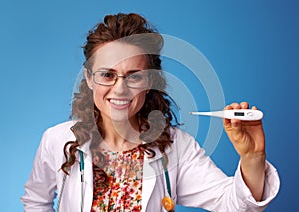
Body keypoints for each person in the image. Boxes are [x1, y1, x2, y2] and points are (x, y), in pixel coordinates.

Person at [21, 13, 280, 212]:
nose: (120, 89)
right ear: (89, 78)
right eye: (107, 75)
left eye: (134, 76)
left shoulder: (177, 147)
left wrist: (252, 157)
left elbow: (233, 204)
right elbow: (35, 201)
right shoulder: (56, 140)